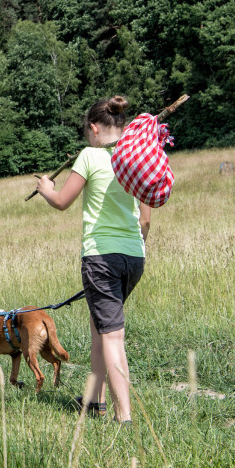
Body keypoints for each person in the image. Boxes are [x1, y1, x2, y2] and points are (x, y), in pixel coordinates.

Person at [34, 96, 151, 424]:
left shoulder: (90, 156)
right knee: (101, 326)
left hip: (101, 257)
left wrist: (45, 187)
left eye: (88, 131)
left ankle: (123, 417)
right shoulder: (136, 158)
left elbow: (61, 201)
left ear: (95, 128)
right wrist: (137, 246)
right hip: (133, 257)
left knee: (112, 335)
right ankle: (94, 400)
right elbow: (146, 218)